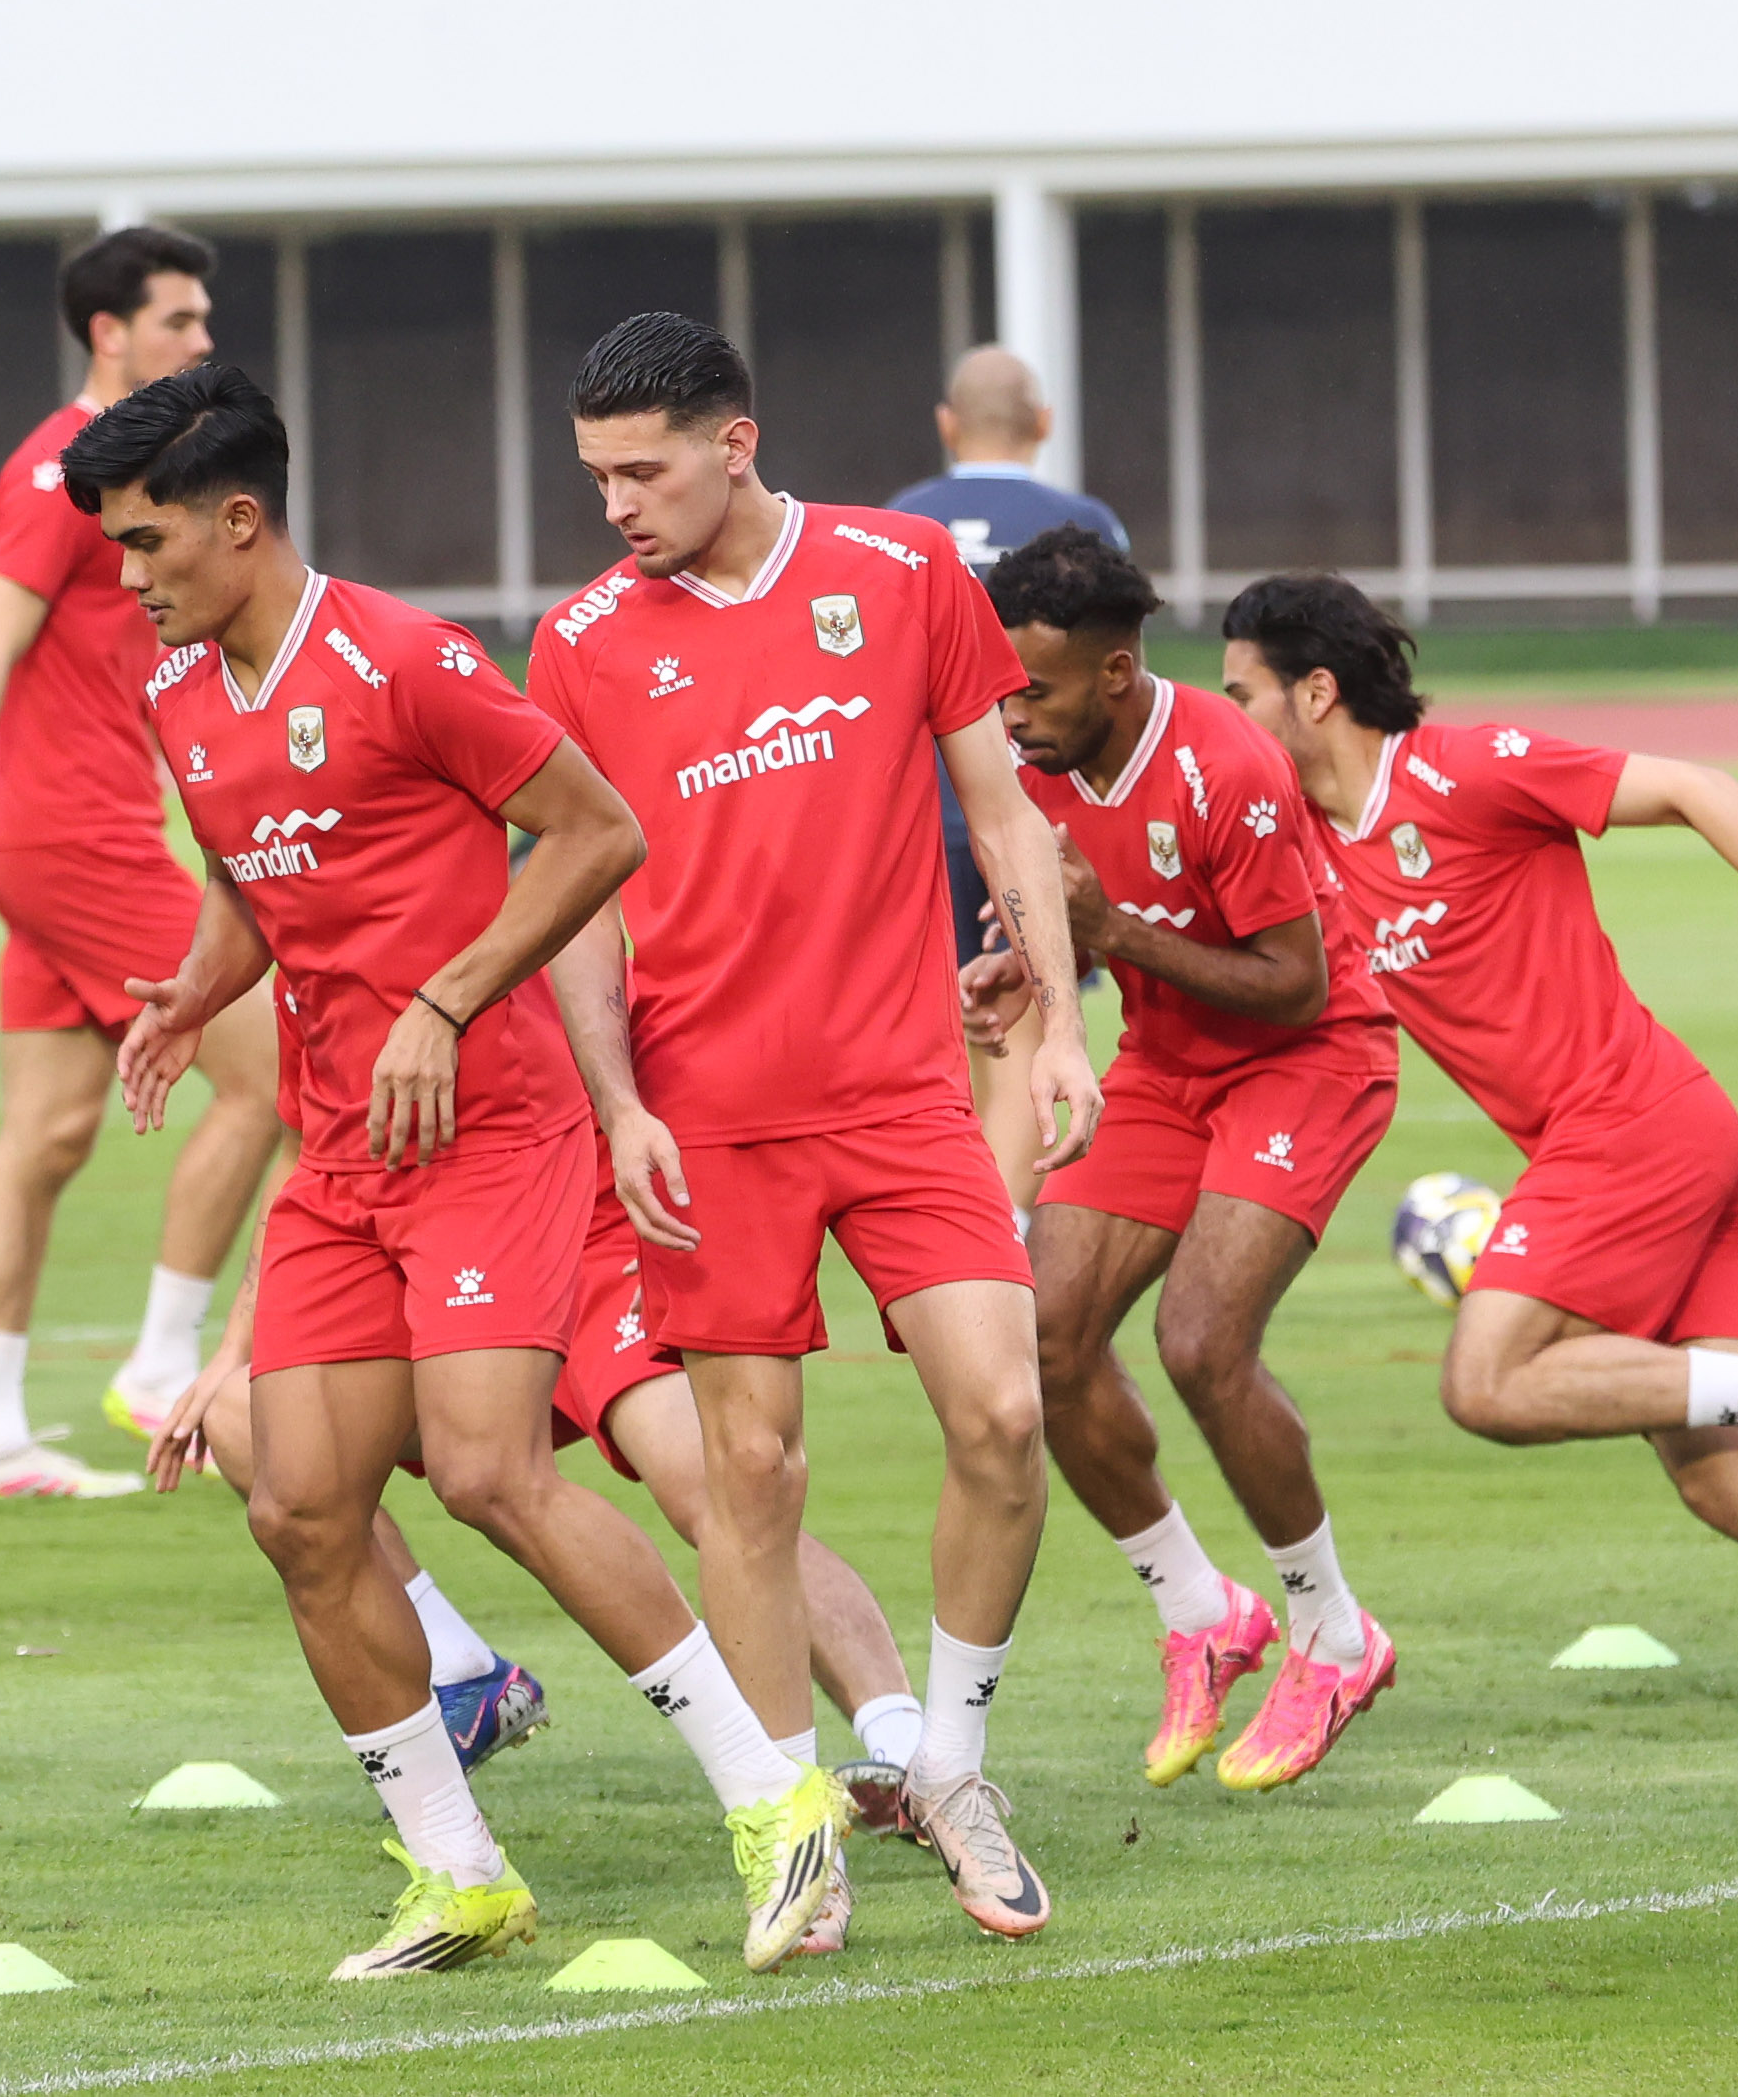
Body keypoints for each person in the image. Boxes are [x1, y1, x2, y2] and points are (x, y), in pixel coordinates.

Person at [83, 362, 848, 1979]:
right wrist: (187, 993)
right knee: (295, 1506)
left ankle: (774, 1800)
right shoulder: (173, 695)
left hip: (487, 1131)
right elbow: (253, 879)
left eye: (146, 544)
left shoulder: (398, 658)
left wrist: (446, 998)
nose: (129, 579)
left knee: (491, 1469)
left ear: (239, 519)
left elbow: (597, 833)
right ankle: (458, 1873)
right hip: (341, 1156)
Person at [1217, 572, 1738, 1740]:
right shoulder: (1308, 847)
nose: (1223, 720)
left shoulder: (1465, 767)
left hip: (1629, 1132)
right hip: (1678, 1142)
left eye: (1238, 694)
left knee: (1486, 1381)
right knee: (1720, 1470)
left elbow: (1694, 785)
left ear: (1316, 693)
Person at [529, 312, 1097, 1943]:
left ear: (736, 443)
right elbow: (571, 898)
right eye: (595, 477)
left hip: (902, 1092)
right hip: (709, 1120)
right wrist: (618, 1101)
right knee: (751, 1471)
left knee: (1001, 1419)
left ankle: (953, 1766)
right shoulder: (577, 642)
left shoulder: (904, 570)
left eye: (642, 470)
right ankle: (789, 1818)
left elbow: (1000, 808)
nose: (616, 505)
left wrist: (1055, 1023)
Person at [148, 1155, 941, 1942]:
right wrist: (231, 1347)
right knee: (242, 1420)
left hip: (584, 1224)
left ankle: (898, 1750)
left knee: (711, 1489)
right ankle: (462, 1671)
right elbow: (299, 1139)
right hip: (414, 1234)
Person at [959, 531, 1406, 1793]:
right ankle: (1205, 1612)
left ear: (1111, 674)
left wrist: (1116, 936)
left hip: (1309, 1057)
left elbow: (1294, 983)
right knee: (1041, 1340)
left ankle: (1334, 1631)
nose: (1012, 715)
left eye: (1034, 691)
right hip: (1167, 1063)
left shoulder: (1231, 765)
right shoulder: (1029, 766)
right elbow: (1083, 935)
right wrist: (1032, 967)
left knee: (1205, 1341)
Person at [0, 226, 290, 1500]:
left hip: (70, 834)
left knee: (45, 1131)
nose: (202, 337)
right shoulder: (56, 474)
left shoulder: (131, 469)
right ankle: (163, 1363)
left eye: (205, 317)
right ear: (109, 333)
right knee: (282, 1076)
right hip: (73, 836)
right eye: (178, 318)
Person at [890, 346, 1131, 1216]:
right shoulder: (1084, 521)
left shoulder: (895, 523)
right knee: (1022, 1021)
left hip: (917, 809)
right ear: (1044, 424)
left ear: (947, 426)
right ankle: (1001, 1241)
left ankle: (968, 1238)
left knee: (949, 1035)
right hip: (1024, 804)